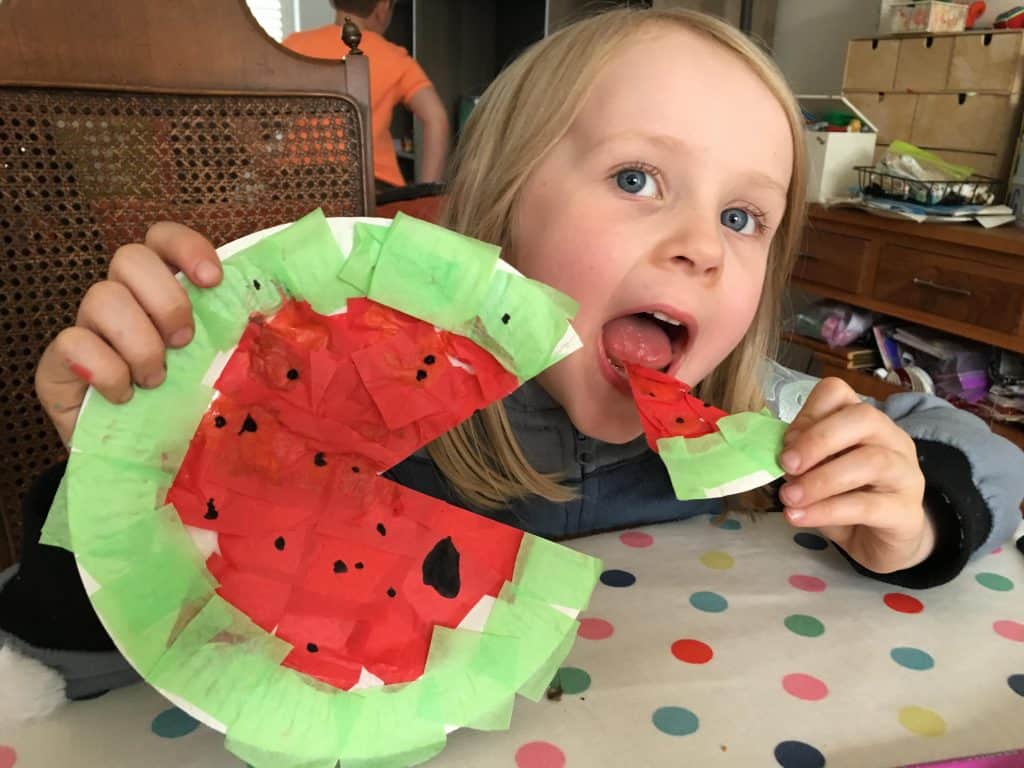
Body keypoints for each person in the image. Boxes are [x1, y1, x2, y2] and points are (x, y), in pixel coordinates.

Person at [3, 7, 1023, 717]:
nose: (702, 246)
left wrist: (916, 516)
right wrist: (131, 476)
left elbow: (985, 455)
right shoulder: (353, 432)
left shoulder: (756, 418)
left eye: (744, 216)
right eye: (636, 177)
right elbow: (61, 668)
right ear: (498, 223)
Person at [283, 0, 450, 188]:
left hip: (299, 186)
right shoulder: (395, 58)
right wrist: (426, 191)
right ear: (383, 7)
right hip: (373, 187)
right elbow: (436, 118)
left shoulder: (293, 46)